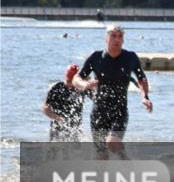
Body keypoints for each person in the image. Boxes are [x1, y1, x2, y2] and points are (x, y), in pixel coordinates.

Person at [75, 24, 152, 157]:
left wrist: (144, 97)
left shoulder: (130, 57)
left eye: (120, 37)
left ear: (123, 40)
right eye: (113, 36)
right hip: (98, 112)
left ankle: (128, 166)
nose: (117, 39)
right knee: (102, 156)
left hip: (119, 110)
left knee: (113, 143)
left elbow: (141, 79)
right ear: (106, 38)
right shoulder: (96, 57)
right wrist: (85, 85)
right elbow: (76, 78)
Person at [42, 64, 91, 141]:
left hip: (76, 128)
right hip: (57, 128)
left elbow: (97, 98)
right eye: (68, 81)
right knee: (55, 150)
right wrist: (57, 117)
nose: (70, 85)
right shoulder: (56, 88)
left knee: (76, 151)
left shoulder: (82, 88)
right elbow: (45, 108)